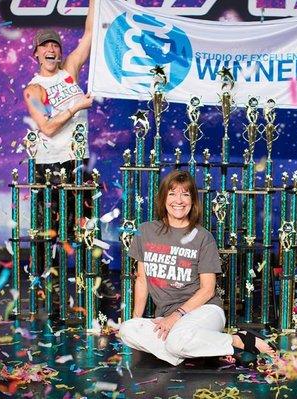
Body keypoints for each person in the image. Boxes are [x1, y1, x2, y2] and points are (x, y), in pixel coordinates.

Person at [119, 170, 275, 366]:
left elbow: (208, 289)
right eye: (172, 193)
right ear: (163, 198)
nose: (179, 200)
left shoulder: (203, 237)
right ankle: (190, 349)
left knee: (176, 341)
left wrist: (176, 316)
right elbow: (142, 280)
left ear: (193, 201)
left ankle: (239, 340)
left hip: (204, 311)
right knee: (127, 330)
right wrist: (137, 321)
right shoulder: (145, 231)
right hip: (166, 316)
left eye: (185, 194)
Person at [22, 0, 117, 305]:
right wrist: (76, 106)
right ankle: (43, 289)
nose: (50, 49)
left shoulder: (70, 71)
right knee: (47, 232)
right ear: (36, 53)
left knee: (88, 227)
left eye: (55, 45)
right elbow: (47, 128)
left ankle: (97, 287)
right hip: (48, 166)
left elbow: (90, 33)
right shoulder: (34, 89)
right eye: (44, 46)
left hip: (77, 162)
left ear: (60, 52)